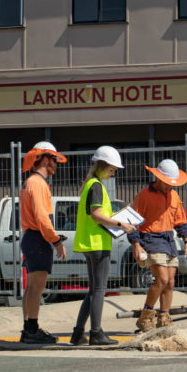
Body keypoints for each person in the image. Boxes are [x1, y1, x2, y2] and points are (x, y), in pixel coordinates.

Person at [70, 145, 136, 346]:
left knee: (93, 291)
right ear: (103, 165)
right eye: (112, 169)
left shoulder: (90, 184)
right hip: (98, 244)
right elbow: (97, 215)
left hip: (90, 244)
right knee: (99, 290)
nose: (113, 172)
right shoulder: (96, 186)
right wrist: (121, 224)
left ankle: (78, 333)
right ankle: (96, 333)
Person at [128, 158, 187, 331]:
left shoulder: (174, 196)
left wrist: (186, 240)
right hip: (150, 238)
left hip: (169, 239)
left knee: (170, 281)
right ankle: (146, 316)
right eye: (168, 182)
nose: (171, 185)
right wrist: (136, 244)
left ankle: (164, 317)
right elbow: (133, 222)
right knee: (161, 279)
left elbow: (180, 221)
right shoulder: (143, 195)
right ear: (159, 178)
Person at [19, 141, 67, 344]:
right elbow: (42, 217)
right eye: (55, 160)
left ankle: (28, 328)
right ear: (46, 159)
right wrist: (55, 240)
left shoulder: (30, 182)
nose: (57, 164)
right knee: (36, 289)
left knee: (31, 288)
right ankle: (31, 329)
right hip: (38, 238)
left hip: (32, 237)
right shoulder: (38, 184)